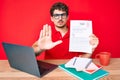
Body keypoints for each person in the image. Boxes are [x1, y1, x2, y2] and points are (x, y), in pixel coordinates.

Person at [32, 2, 99, 59]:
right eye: (56, 15)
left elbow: (81, 59)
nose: (60, 18)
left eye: (63, 15)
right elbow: (33, 53)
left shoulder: (77, 33)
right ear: (52, 18)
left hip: (71, 70)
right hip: (51, 70)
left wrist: (91, 50)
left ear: (67, 17)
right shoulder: (46, 33)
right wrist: (40, 49)